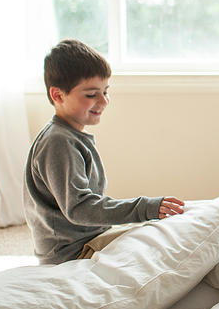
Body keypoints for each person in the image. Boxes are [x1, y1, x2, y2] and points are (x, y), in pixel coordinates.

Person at [23, 39, 185, 264]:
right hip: (72, 253)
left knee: (167, 232)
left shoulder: (70, 137)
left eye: (105, 91)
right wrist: (144, 207)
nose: (103, 101)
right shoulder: (59, 143)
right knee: (164, 246)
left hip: (89, 238)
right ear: (58, 96)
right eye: (91, 95)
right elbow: (80, 208)